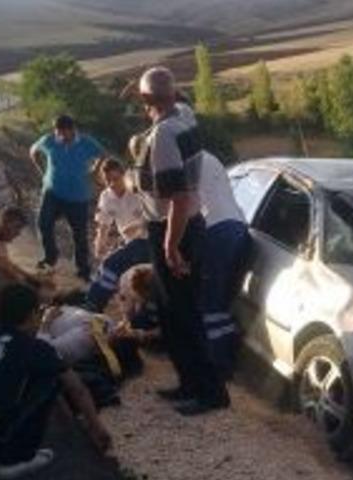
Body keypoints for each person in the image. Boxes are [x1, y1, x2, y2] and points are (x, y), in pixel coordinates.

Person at [0, 284, 111, 479]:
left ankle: (0, 446)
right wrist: (96, 428)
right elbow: (77, 389)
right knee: (52, 376)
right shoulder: (34, 349)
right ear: (31, 315)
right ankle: (15, 459)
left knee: (32, 375)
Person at [132, 66, 228, 416]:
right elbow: (173, 97)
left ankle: (210, 393)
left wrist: (171, 248)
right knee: (172, 313)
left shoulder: (163, 138)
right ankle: (190, 383)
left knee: (184, 315)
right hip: (184, 227)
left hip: (175, 231)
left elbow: (179, 199)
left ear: (145, 100)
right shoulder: (184, 116)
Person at [30, 115, 106, 281]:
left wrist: (94, 170)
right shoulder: (49, 140)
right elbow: (33, 151)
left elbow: (102, 153)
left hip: (77, 196)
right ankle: (50, 257)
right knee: (44, 223)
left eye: (64, 133)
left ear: (72, 130)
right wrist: (42, 172)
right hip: (52, 192)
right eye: (58, 133)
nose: (61, 137)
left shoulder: (86, 142)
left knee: (79, 234)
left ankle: (83, 269)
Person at [197, 152, 250, 377]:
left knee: (210, 302)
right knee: (221, 298)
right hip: (238, 226)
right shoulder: (210, 157)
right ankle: (231, 355)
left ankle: (220, 365)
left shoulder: (185, 160)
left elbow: (184, 203)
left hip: (216, 230)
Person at [85, 159, 150, 313]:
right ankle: (94, 302)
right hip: (130, 243)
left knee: (111, 264)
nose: (112, 184)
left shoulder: (138, 191)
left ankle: (93, 304)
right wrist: (100, 243)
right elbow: (103, 225)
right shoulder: (106, 196)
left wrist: (137, 225)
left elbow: (157, 216)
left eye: (116, 179)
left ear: (124, 175)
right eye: (108, 180)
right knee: (105, 267)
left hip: (149, 241)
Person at [0, 206, 42, 294]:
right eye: (17, 227)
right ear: (4, 222)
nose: (18, 233)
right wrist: (35, 289)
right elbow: (7, 270)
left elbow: (11, 265)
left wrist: (35, 279)